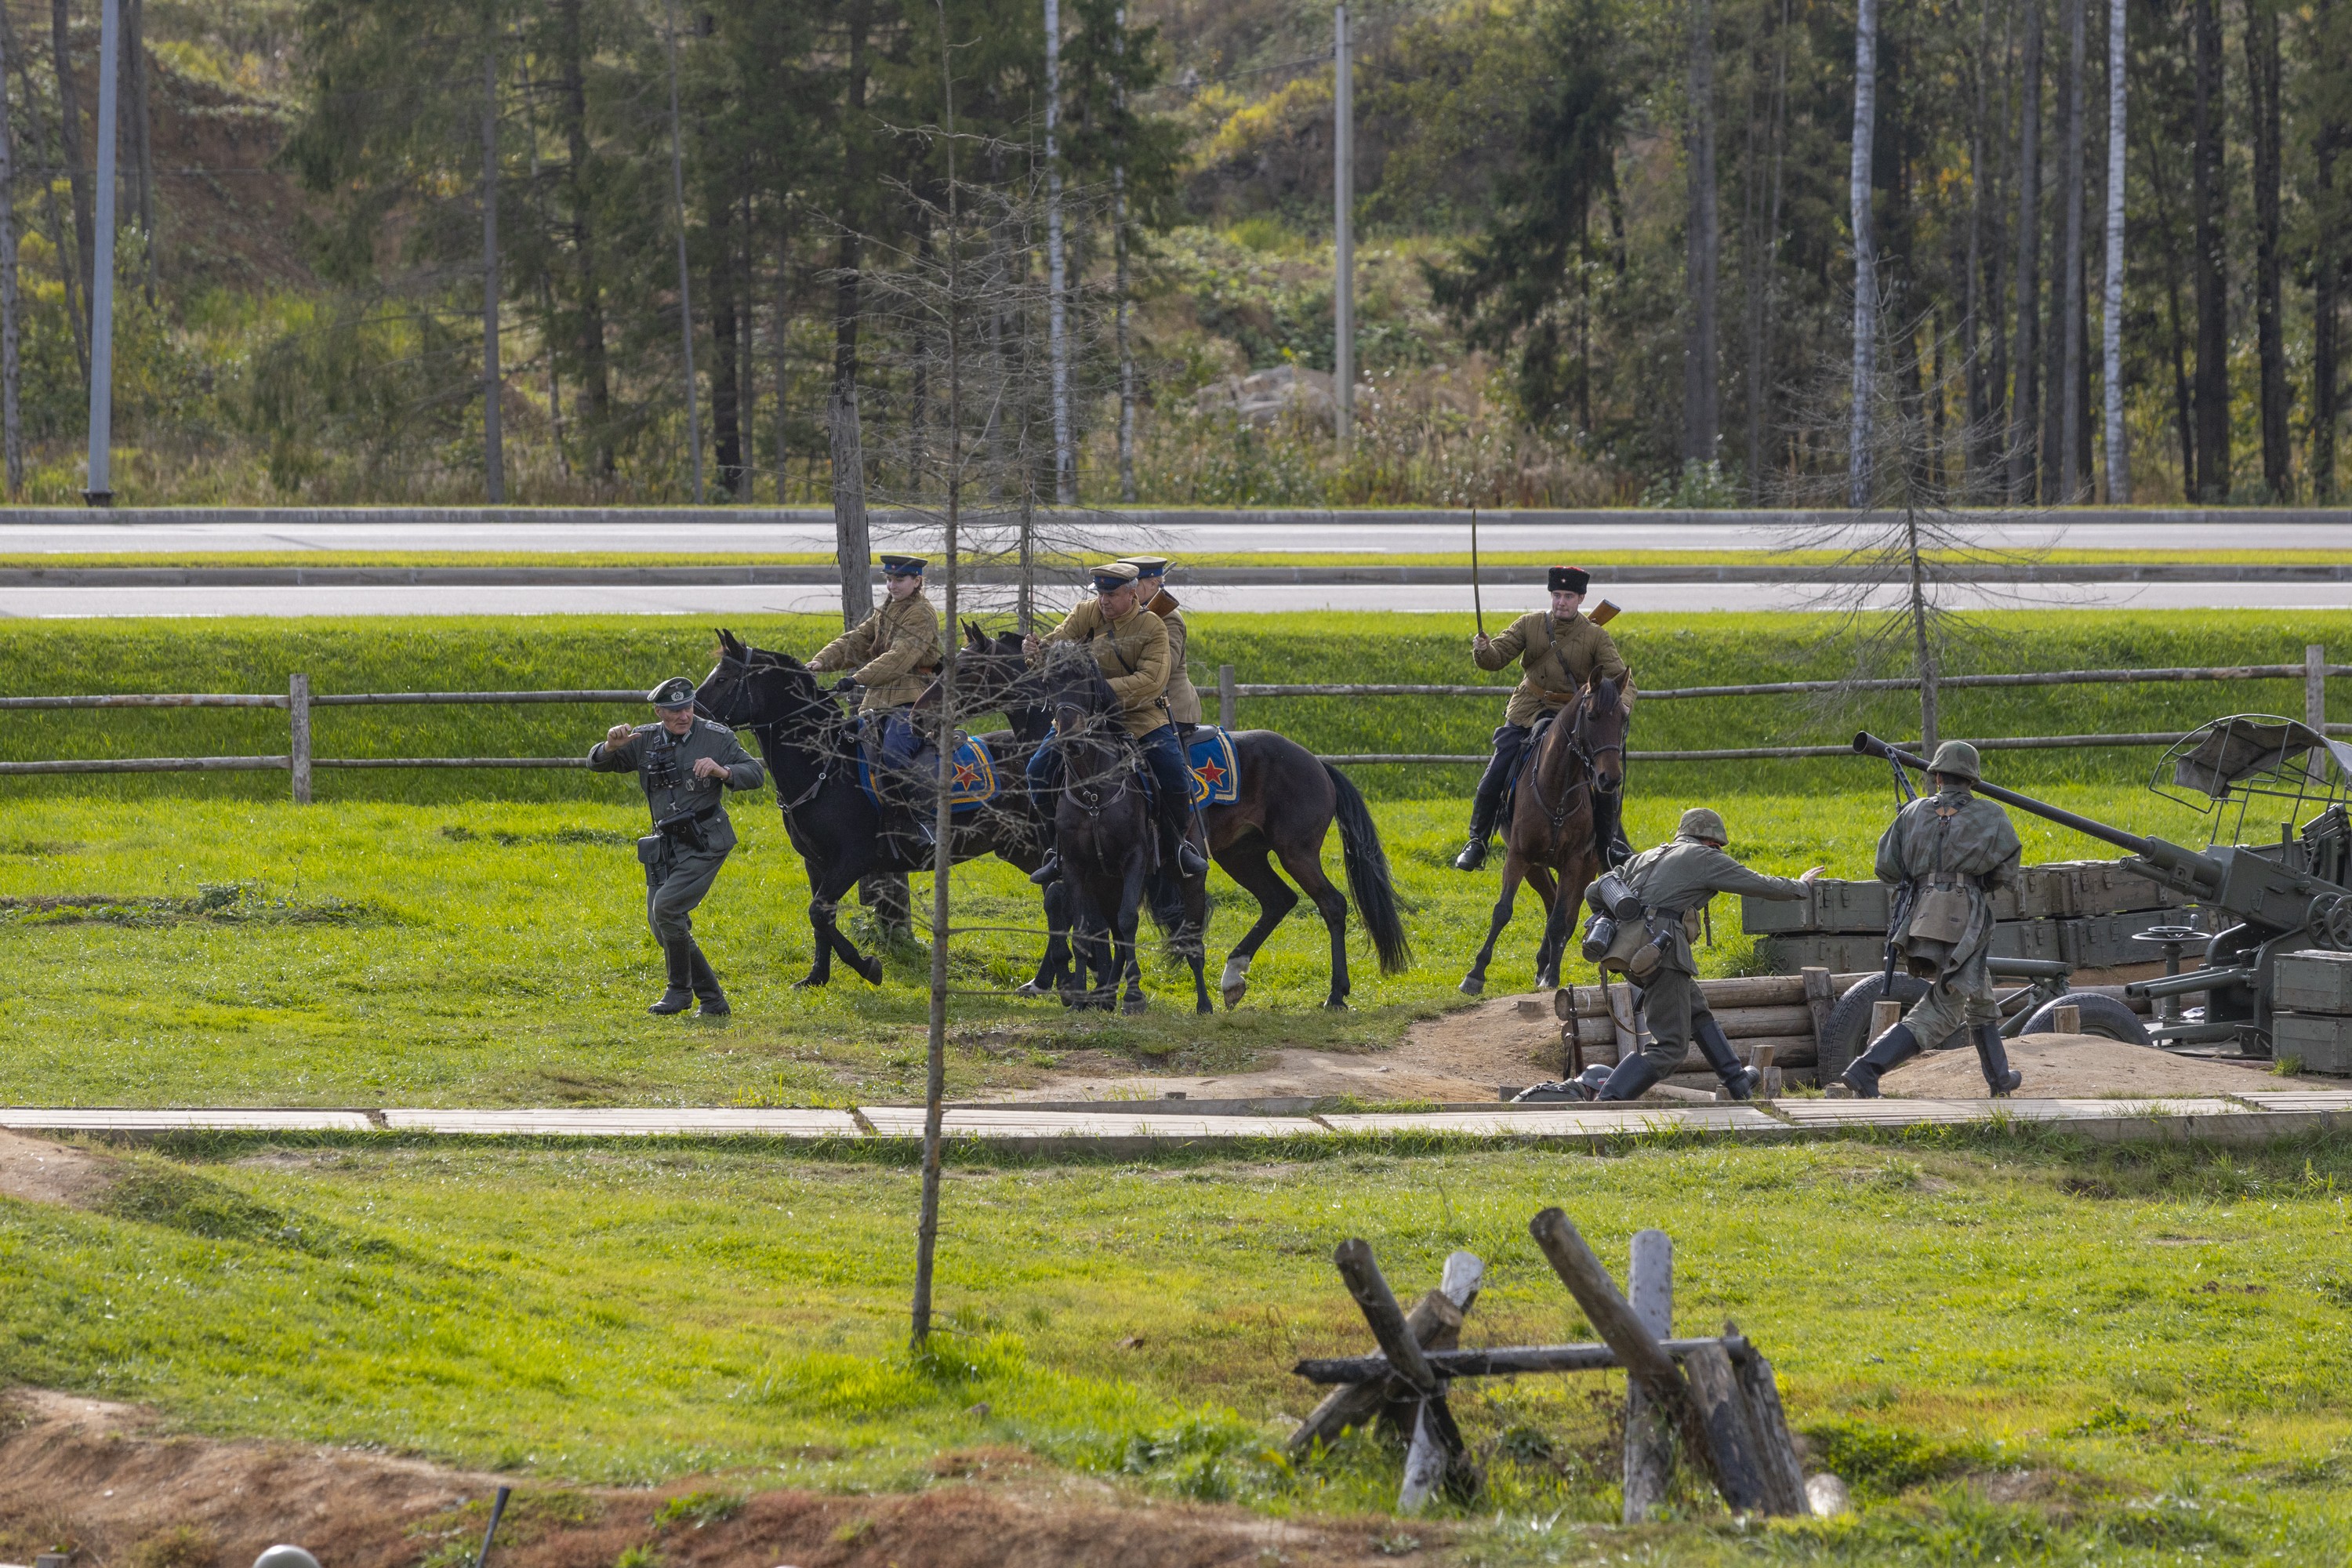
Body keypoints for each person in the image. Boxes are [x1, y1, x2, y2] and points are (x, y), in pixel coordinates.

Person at [1594, 808, 1824, 1101]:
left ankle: (1737, 1081)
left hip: (1626, 952)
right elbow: (1756, 883)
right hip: (1662, 952)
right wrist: (1800, 886)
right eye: (1718, 848)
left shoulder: (1645, 857)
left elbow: (1594, 890)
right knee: (1670, 1047)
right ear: (1712, 842)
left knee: (1696, 1010)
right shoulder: (1703, 857)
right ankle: (1609, 1099)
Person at [1843, 740, 2026, 1098]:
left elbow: (1886, 869)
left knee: (1979, 993)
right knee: (1945, 1008)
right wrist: (1974, 882)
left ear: (1937, 776)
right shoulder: (1992, 815)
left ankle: (2000, 1080)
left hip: (1920, 915)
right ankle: (1868, 1068)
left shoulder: (1911, 813)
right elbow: (2007, 873)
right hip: (1965, 919)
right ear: (1972, 780)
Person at [1022, 561, 1210, 886]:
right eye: (1100, 593)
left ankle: (1179, 845)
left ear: (1132, 592)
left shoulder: (1153, 625)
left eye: (1111, 594)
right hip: (1081, 716)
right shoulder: (1085, 613)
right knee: (1037, 771)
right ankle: (1057, 849)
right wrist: (1035, 653)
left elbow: (1152, 681)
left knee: (1174, 774)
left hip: (1138, 716)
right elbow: (1056, 648)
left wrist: (1099, 690)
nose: (1104, 601)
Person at [590, 677, 766, 1017]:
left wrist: (723, 771)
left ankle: (679, 992)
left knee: (667, 909)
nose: (683, 716)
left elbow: (755, 774)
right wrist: (610, 746)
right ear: (659, 711)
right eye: (673, 711)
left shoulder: (716, 737)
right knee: (663, 927)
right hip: (664, 845)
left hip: (705, 840)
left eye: (687, 707)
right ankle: (713, 1001)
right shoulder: (645, 739)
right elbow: (597, 762)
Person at [1456, 564, 1632, 871]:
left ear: (1581, 598)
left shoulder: (1596, 637)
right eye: (1556, 595)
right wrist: (1483, 650)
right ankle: (1478, 841)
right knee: (1494, 775)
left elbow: (1623, 680)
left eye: (1568, 596)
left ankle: (1610, 846)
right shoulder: (1530, 624)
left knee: (1603, 783)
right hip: (1528, 710)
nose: (1561, 602)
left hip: (1574, 718)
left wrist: (1620, 706)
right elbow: (1496, 659)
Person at [807, 554, 941, 849]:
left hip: (914, 702)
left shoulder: (922, 614)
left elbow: (899, 657)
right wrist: (819, 662)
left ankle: (920, 823)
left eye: (900, 580)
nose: (892, 585)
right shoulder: (886, 610)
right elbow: (855, 641)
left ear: (917, 581)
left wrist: (856, 679)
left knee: (894, 753)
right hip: (877, 702)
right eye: (889, 579)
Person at [1118, 556, 1201, 735]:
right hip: (1137, 709)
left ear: (1153, 584)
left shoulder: (1168, 618)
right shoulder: (1130, 614)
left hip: (1170, 711)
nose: (1127, 590)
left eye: (1133, 584)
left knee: (1159, 760)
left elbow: (1164, 666)